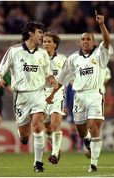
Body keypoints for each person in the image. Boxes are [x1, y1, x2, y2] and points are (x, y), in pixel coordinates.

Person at [46, 10, 113, 172]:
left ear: (93, 42)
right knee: (82, 131)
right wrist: (53, 95)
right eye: (82, 39)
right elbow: (61, 80)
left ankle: (93, 164)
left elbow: (107, 40)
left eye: (88, 39)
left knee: (94, 126)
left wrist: (102, 24)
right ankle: (87, 141)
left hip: (95, 95)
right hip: (79, 97)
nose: (85, 42)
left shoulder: (100, 54)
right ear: (79, 42)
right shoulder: (73, 59)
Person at [0, 21, 56, 172]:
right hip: (21, 97)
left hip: (38, 94)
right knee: (24, 136)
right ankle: (23, 135)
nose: (42, 36)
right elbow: (0, 71)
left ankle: (38, 164)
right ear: (31, 34)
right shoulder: (14, 51)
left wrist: (52, 80)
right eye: (40, 33)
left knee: (37, 125)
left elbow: (48, 74)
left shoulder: (43, 53)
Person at [42, 32, 67, 164]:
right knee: (47, 129)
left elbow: (69, 76)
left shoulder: (62, 60)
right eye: (44, 41)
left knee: (55, 124)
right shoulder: (37, 58)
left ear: (55, 45)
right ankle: (56, 147)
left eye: (49, 41)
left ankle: (54, 154)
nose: (46, 43)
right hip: (41, 94)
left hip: (57, 94)